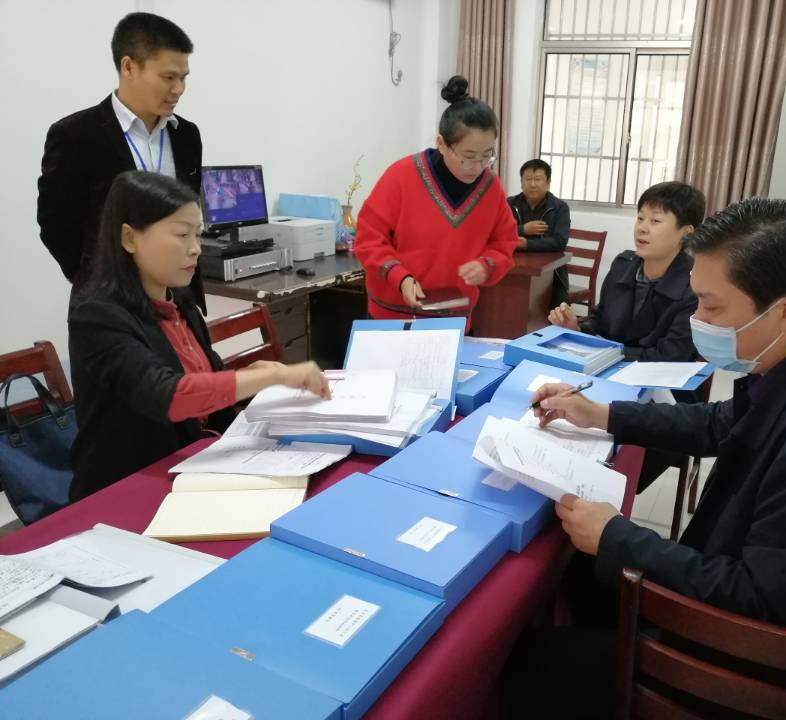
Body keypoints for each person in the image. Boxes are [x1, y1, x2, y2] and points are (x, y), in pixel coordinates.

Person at [507, 198, 786, 719]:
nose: (697, 320)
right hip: (743, 600)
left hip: (760, 673)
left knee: (531, 666)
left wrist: (618, 536)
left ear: (785, 311)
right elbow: (720, 422)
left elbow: (760, 604)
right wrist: (601, 414)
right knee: (578, 572)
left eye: (711, 307)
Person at [68, 172, 332, 501]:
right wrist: (274, 376)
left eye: (198, 235)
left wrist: (251, 375)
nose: (195, 249)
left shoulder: (181, 305)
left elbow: (208, 383)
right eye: (182, 235)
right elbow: (168, 395)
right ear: (129, 238)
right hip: (127, 485)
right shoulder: (97, 317)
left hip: (195, 464)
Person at [38, 12, 207, 311]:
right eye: (168, 77)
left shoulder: (186, 135)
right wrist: (94, 279)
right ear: (129, 66)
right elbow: (56, 225)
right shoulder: (76, 135)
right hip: (110, 302)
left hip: (178, 298)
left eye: (183, 78)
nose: (178, 89)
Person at [353, 76, 518, 326]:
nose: (477, 167)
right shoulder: (402, 176)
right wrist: (400, 277)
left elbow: (505, 242)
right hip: (391, 316)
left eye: (487, 156)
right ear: (442, 143)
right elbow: (368, 238)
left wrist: (486, 265)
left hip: (453, 318)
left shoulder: (490, 187)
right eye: (468, 156)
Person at [547, 181, 704, 362]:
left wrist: (606, 354)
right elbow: (600, 319)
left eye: (655, 221)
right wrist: (577, 329)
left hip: (658, 377)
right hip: (610, 366)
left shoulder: (696, 285)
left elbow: (671, 355)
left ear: (686, 233)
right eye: (640, 218)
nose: (642, 228)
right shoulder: (623, 266)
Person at [507, 159, 571, 306]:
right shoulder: (510, 204)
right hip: (513, 269)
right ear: (521, 182)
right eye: (528, 179)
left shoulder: (559, 208)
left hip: (552, 273)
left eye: (537, 179)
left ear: (548, 183)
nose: (532, 184)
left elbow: (560, 241)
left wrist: (527, 244)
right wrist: (523, 229)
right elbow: (496, 232)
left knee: (558, 309)